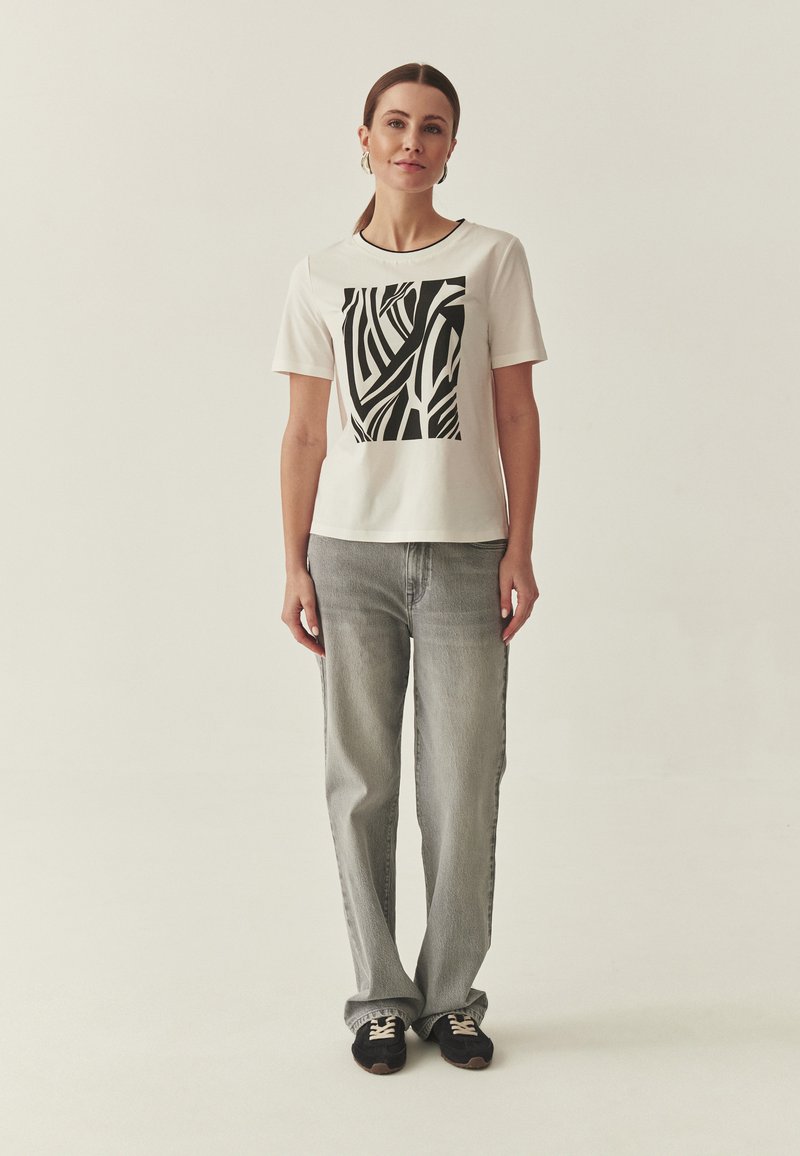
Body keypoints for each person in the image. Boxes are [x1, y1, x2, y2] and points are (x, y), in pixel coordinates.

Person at [271, 61, 548, 1074]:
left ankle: (452, 997)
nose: (411, 142)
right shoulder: (319, 274)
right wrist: (293, 562)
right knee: (361, 783)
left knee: (463, 783)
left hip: (466, 551)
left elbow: (514, 410)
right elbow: (305, 433)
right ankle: (379, 997)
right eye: (394, 124)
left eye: (432, 127)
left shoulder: (492, 257)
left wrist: (520, 546)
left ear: (450, 146)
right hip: (348, 555)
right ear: (363, 138)